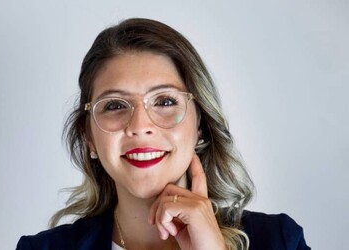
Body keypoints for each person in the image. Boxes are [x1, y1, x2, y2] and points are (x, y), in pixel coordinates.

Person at [16, 18, 310, 250]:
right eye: (116, 105)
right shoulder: (40, 248)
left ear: (200, 126)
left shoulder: (280, 241)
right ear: (89, 136)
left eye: (165, 101)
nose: (140, 126)